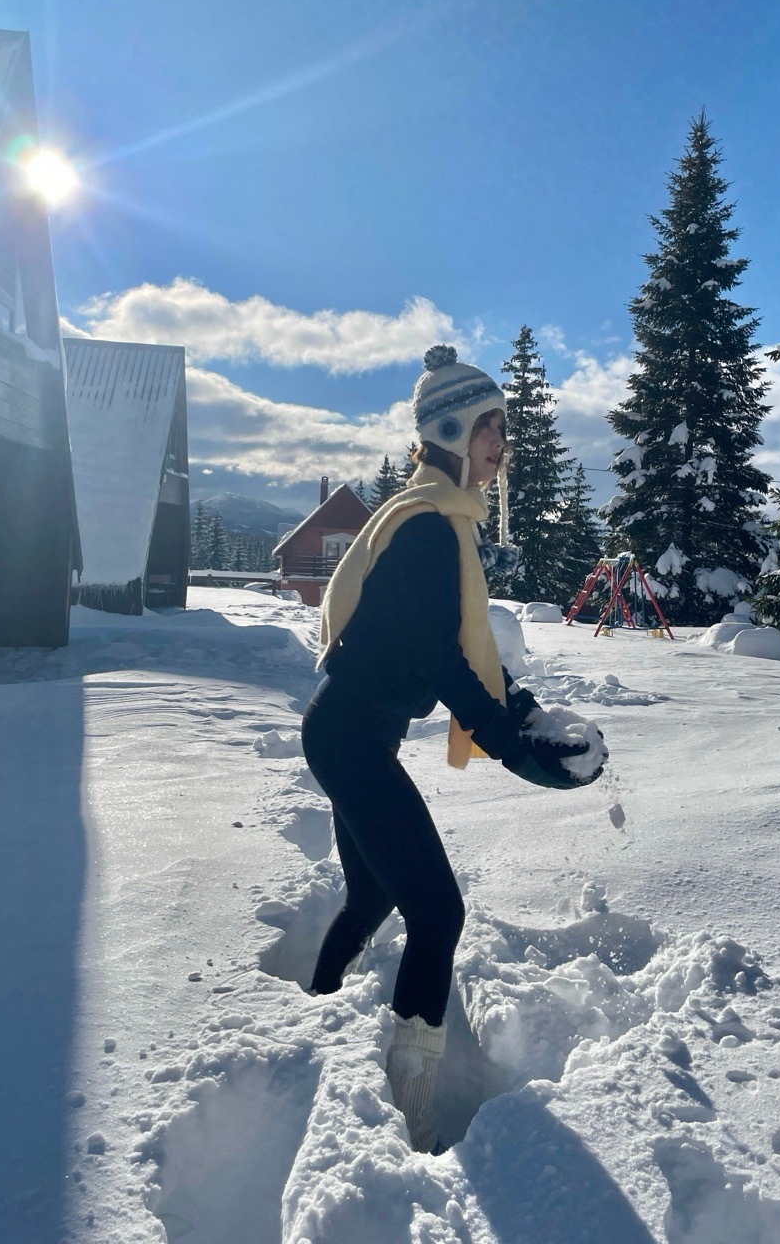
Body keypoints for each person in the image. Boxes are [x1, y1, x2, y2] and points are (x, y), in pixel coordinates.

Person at [301, 344, 602, 1153]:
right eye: (488, 427)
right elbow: (442, 660)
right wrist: (510, 745)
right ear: (450, 431)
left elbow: (464, 650)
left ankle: (314, 1012)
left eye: (503, 427)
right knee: (438, 910)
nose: (502, 443)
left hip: (350, 733)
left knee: (373, 899)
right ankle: (412, 1103)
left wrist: (521, 711)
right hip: (351, 740)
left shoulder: (436, 517)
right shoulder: (430, 529)